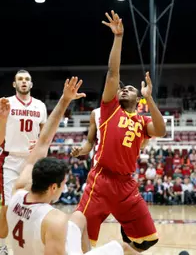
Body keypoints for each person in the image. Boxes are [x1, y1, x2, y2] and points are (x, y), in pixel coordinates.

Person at [4, 77, 139, 255]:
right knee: (121, 248)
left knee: (79, 217)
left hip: (28, 245)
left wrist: (65, 99)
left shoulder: (18, 192)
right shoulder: (55, 220)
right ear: (54, 187)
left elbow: (43, 142)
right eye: (63, 184)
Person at [76, 10, 166, 252]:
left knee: (147, 240)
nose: (124, 89)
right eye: (122, 89)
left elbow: (161, 130)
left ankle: (119, 248)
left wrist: (150, 99)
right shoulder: (109, 110)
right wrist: (118, 37)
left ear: (139, 97)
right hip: (102, 180)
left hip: (126, 184)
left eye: (130, 89)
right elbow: (113, 73)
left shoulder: (142, 119)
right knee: (81, 239)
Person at [0, 70, 47, 255]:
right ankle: (2, 246)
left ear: (31, 84)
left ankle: (30, 244)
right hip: (10, 160)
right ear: (14, 84)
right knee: (7, 206)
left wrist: (42, 143)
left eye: (27, 79)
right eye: (20, 79)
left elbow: (45, 134)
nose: (24, 82)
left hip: (32, 160)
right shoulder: (6, 103)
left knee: (32, 205)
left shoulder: (40, 106)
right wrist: (2, 117)